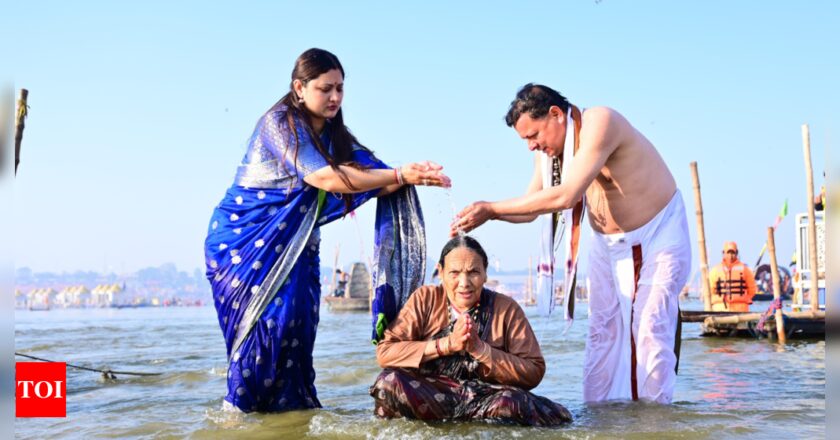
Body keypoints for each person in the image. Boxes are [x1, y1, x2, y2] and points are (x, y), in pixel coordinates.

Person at [204, 48, 450, 413]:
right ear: (299, 87)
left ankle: (292, 420)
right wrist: (399, 174)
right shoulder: (280, 123)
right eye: (325, 89)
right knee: (266, 330)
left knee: (297, 330)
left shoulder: (336, 136)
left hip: (298, 247)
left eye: (340, 89)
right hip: (244, 245)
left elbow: (371, 180)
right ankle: (237, 418)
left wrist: (413, 176)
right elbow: (324, 177)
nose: (335, 97)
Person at [452, 84, 691, 404]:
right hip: (608, 244)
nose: (531, 146)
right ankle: (601, 419)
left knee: (649, 330)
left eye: (532, 136)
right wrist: (486, 214)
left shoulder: (600, 122)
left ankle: (654, 423)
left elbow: (567, 195)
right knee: (601, 336)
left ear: (555, 115)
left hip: (658, 232)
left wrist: (493, 208)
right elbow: (530, 208)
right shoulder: (549, 155)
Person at [370, 236, 572, 426]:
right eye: (454, 273)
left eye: (473, 272)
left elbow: (534, 372)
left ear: (485, 273)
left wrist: (481, 350)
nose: (464, 283)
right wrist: (447, 344)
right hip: (433, 395)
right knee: (388, 383)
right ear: (440, 273)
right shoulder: (425, 299)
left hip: (485, 401)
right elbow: (385, 353)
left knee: (512, 402)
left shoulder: (506, 308)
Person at [709, 241, 757, 312]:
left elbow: (752, 290)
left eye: (733, 253)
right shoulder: (715, 270)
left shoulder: (745, 269)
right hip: (719, 309)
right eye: (728, 253)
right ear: (723, 253)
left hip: (741, 309)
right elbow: (710, 290)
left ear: (736, 253)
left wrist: (742, 299)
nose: (730, 256)